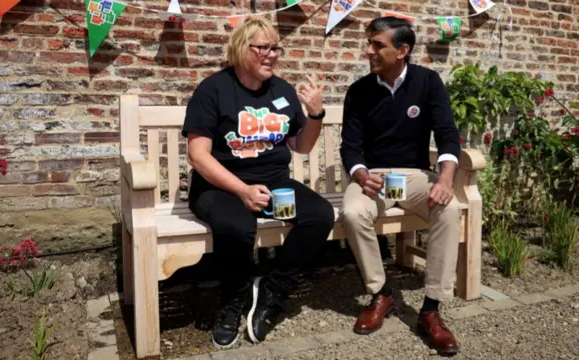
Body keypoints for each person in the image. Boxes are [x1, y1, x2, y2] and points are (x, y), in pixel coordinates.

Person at [182, 16, 335, 349]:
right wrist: (241, 189)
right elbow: (198, 155)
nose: (272, 55)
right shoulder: (213, 89)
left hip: (274, 183)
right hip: (219, 188)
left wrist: (315, 115)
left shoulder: (282, 90)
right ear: (241, 49)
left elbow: (301, 146)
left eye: (275, 48)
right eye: (263, 48)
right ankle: (231, 302)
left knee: (321, 215)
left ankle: (271, 290)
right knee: (238, 226)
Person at [339, 17, 462, 356]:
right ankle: (381, 293)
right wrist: (361, 174)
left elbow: (448, 135)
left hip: (415, 174)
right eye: (369, 42)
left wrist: (446, 179)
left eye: (377, 44)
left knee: (449, 208)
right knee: (352, 211)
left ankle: (431, 308)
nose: (369, 50)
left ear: (402, 51)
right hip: (373, 177)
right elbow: (350, 147)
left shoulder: (428, 82)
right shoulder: (360, 91)